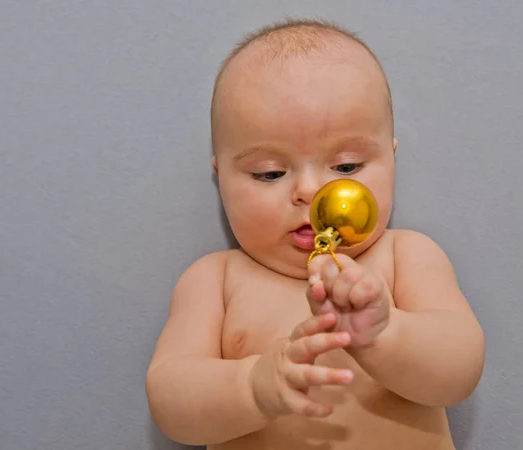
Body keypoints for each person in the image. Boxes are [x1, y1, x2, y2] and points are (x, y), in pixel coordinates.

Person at [145, 18, 485, 450]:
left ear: (391, 158)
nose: (310, 191)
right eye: (269, 173)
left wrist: (386, 334)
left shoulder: (406, 258)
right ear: (221, 175)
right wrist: (252, 388)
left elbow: (460, 372)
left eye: (345, 167)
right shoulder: (215, 281)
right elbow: (169, 401)